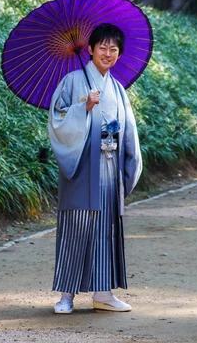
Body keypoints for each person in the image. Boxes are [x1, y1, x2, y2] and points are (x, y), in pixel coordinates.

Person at [48, 23, 142, 314]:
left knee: (106, 229)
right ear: (90, 49)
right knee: (77, 227)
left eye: (114, 49)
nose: (108, 53)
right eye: (102, 47)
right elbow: (57, 118)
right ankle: (66, 295)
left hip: (110, 166)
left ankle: (103, 292)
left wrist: (129, 165)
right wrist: (83, 108)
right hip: (82, 165)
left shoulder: (117, 88)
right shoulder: (73, 80)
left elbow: (129, 132)